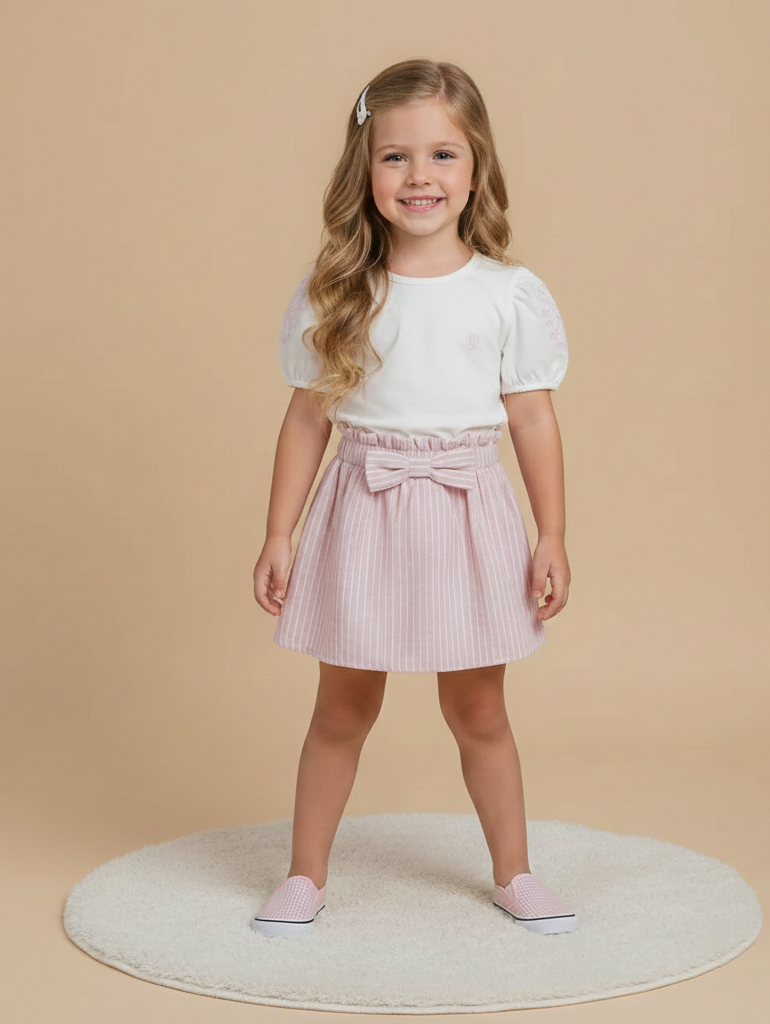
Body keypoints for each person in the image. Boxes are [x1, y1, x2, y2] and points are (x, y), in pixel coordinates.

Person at [250, 58, 576, 938]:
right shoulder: (339, 293)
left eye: (442, 155)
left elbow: (533, 419)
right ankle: (304, 876)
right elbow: (307, 419)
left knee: (479, 709)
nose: (419, 176)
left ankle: (514, 872)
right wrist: (278, 532)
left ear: (476, 168)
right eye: (395, 157)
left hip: (470, 511)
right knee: (342, 706)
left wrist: (550, 534)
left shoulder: (508, 293)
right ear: (364, 170)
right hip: (365, 506)